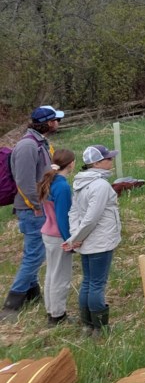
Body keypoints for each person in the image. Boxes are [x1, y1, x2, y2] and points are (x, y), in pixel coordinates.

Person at [1, 105, 63, 323]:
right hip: (31, 209)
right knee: (34, 255)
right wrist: (37, 206)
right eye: (56, 119)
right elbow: (25, 182)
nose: (58, 123)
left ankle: (32, 293)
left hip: (37, 207)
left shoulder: (40, 143)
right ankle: (12, 303)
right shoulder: (28, 146)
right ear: (47, 122)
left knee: (35, 252)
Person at [65, 145, 122, 337]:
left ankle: (87, 325)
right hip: (100, 241)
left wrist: (75, 237)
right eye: (107, 159)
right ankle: (99, 327)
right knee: (97, 284)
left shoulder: (80, 183)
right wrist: (76, 238)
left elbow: (73, 213)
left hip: (86, 241)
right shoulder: (100, 186)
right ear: (96, 163)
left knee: (88, 282)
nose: (111, 161)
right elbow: (92, 217)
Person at [39, 149, 76, 325]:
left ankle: (50, 310)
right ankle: (58, 315)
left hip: (48, 232)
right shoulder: (62, 186)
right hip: (58, 236)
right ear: (71, 164)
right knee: (61, 277)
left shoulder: (50, 181)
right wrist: (70, 240)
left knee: (51, 274)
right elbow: (63, 217)